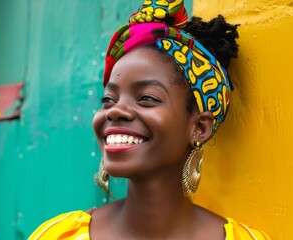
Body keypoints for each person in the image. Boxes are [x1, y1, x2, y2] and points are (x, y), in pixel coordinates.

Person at [29, 0, 271, 239]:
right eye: (108, 100)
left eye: (146, 98)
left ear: (198, 127)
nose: (114, 111)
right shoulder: (58, 235)